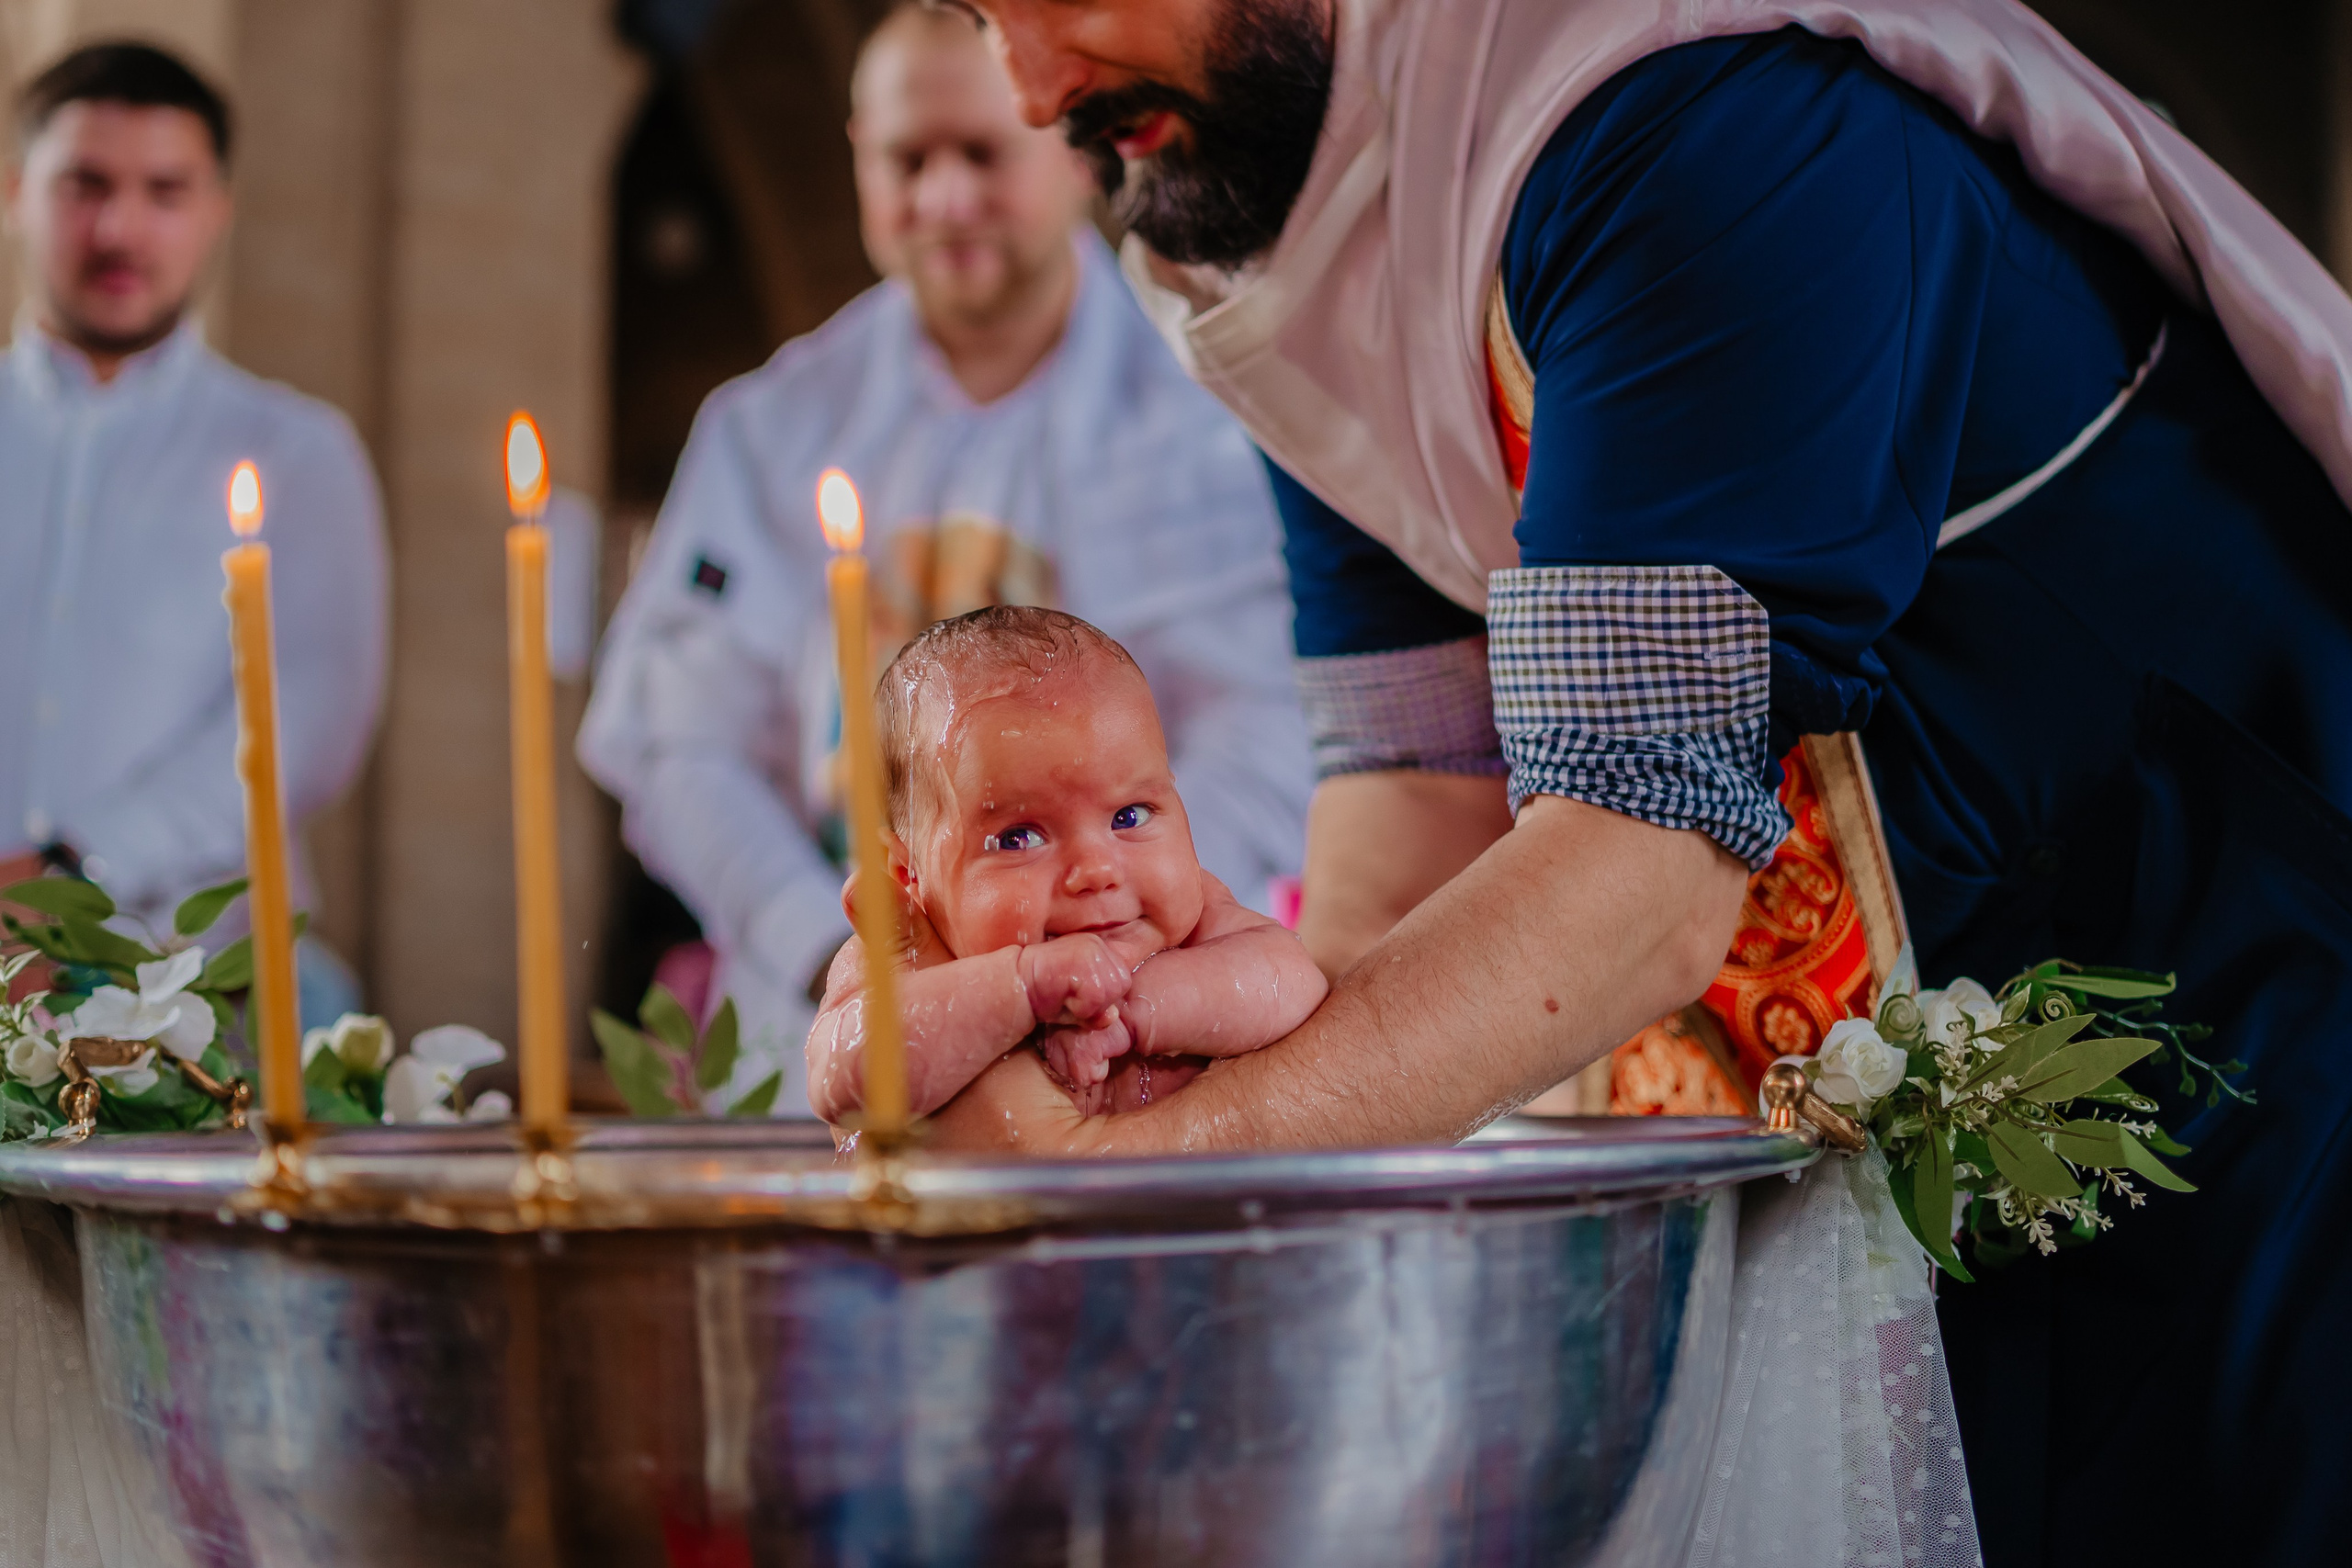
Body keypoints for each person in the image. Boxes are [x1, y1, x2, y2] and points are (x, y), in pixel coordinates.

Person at [932, 2, 2352, 1564]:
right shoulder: (1303, 217)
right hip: (1856, 1129)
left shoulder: (1680, 120)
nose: (1032, 84)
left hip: (2210, 1019)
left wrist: (1143, 1185)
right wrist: (1163, 1084)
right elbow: (1417, 792)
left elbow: (1642, 866)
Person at [579, 4, 1310, 1117]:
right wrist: (839, 945)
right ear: (858, 162)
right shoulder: (767, 429)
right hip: (829, 1018)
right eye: (907, 160)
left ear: (1074, 155)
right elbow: (679, 739)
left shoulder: (1202, 417)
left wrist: (1104, 948)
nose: (945, 197)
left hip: (1136, 1022)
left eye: (980, 153)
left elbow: (1265, 720)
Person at [0, 43, 387, 1025]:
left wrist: (66, 878)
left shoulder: (296, 451)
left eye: (164, 191)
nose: (120, 227)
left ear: (218, 209)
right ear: (15, 192)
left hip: (199, 994)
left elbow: (309, 719)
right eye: (85, 184)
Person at [807, 606, 1324, 1124]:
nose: (1097, 870)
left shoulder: (1195, 920)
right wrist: (1023, 990)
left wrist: (1134, 1011)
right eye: (1019, 838)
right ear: (908, 875)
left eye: (1128, 816)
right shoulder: (900, 957)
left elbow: (1293, 980)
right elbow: (843, 1080)